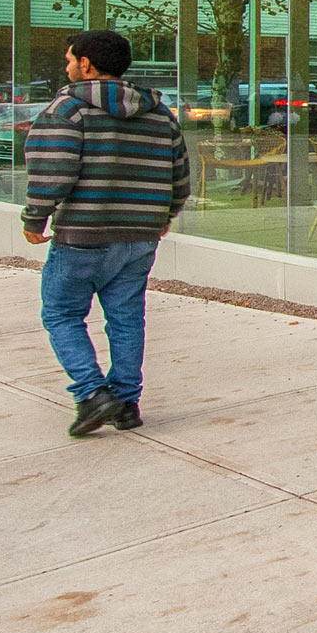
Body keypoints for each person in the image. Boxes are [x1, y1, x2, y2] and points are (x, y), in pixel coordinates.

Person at [21, 29, 190, 438]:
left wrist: (34, 218)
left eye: (68, 60)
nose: (66, 67)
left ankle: (93, 393)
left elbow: (50, 169)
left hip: (84, 234)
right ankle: (127, 403)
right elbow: (180, 175)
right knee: (127, 317)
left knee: (61, 313)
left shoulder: (69, 111)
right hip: (140, 236)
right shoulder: (159, 114)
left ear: (86, 64)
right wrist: (166, 214)